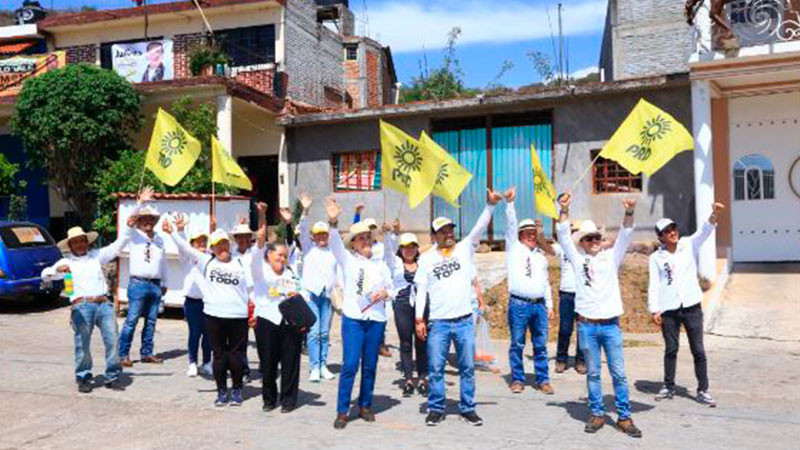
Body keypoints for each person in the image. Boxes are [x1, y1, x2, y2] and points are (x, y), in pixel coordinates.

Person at [556, 193, 642, 438]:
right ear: (582, 242)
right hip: (587, 326)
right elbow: (563, 234)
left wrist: (629, 212)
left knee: (618, 373)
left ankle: (624, 416)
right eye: (588, 238)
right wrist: (564, 209)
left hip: (610, 327)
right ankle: (597, 413)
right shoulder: (576, 258)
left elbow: (626, 234)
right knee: (593, 373)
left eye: (596, 237)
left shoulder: (610, 257)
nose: (593, 241)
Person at [414, 189, 502, 427]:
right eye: (443, 231)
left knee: (467, 368)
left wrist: (490, 205)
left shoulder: (465, 248)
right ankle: (436, 407)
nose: (449, 234)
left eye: (451, 229)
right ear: (434, 236)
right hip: (439, 323)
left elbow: (479, 227)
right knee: (435, 368)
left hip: (463, 320)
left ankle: (468, 408)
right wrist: (419, 319)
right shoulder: (426, 260)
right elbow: (421, 290)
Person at [163, 217, 250, 407]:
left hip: (238, 316)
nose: (222, 248)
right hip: (214, 316)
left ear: (230, 244)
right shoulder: (205, 262)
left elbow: (251, 288)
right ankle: (221, 391)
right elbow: (186, 249)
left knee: (235, 357)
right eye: (217, 245)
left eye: (224, 243)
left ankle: (236, 389)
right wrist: (173, 233)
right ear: (212, 248)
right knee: (219, 356)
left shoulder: (241, 262)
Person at [41, 217, 135, 392]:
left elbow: (118, 245)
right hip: (81, 306)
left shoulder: (96, 256)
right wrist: (55, 270)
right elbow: (45, 275)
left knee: (112, 339)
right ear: (70, 245)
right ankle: (83, 376)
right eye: (75, 242)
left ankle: (112, 375)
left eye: (81, 241)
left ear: (86, 242)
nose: (79, 245)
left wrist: (129, 227)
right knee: (82, 343)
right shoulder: (66, 262)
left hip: (103, 303)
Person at [326, 197, 393, 430]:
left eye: (368, 238)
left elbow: (393, 288)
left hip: (375, 320)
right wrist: (333, 221)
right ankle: (342, 410)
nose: (366, 241)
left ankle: (365, 405)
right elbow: (334, 243)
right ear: (353, 243)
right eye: (361, 239)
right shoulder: (347, 260)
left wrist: (386, 292)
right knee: (351, 364)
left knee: (370, 365)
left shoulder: (381, 264)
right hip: (354, 319)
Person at [648, 203, 724, 407]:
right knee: (671, 349)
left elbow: (705, 230)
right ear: (661, 237)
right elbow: (654, 284)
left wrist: (715, 213)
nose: (672, 233)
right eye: (666, 231)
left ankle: (703, 390)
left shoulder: (689, 244)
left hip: (691, 306)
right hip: (669, 308)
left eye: (673, 228)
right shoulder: (656, 258)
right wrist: (654, 309)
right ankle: (668, 386)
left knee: (698, 349)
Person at [250, 203, 305, 413]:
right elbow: (259, 246)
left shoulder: (291, 272)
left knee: (291, 362)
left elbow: (301, 291)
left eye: (284, 255)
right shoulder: (260, 271)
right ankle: (269, 399)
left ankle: (289, 400)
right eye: (278, 256)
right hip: (267, 321)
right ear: (268, 257)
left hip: (290, 322)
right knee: (269, 363)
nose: (282, 259)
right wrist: (262, 217)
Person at [503, 187, 554, 395]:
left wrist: (549, 305)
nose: (532, 236)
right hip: (519, 304)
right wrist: (510, 204)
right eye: (528, 233)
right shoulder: (514, 249)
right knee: (517, 343)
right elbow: (510, 226)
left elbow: (546, 282)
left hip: (539, 305)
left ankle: (543, 379)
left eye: (534, 233)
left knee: (540, 345)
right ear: (521, 235)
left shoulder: (540, 257)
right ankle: (517, 378)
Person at [119, 193, 168, 367]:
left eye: (151, 218)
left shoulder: (160, 239)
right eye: (144, 218)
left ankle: (147, 352)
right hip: (138, 283)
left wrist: (165, 282)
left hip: (155, 284)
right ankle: (123, 354)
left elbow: (163, 262)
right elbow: (129, 220)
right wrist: (139, 203)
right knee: (132, 319)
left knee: (151, 321)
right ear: (139, 221)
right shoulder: (134, 235)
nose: (148, 221)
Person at [384, 221, 429, 397]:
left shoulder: (423, 262)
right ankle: (409, 379)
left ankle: (424, 378)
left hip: (421, 305)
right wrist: (391, 234)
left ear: (417, 248)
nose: (408, 250)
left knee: (422, 341)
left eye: (412, 247)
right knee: (405, 343)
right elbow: (388, 250)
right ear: (401, 249)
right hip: (402, 305)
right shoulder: (394, 263)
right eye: (405, 247)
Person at [297, 194, 339, 382]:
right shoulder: (308, 248)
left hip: (328, 297)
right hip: (311, 296)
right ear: (313, 237)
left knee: (324, 333)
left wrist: (333, 219)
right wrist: (305, 210)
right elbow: (303, 228)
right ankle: (314, 367)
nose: (322, 237)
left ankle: (323, 365)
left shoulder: (333, 252)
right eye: (318, 234)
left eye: (324, 234)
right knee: (313, 333)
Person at [173, 216, 212, 378]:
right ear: (192, 243)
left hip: (209, 302)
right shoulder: (187, 257)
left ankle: (207, 362)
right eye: (198, 241)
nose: (201, 243)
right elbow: (182, 247)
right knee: (194, 333)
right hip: (192, 302)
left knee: (209, 334)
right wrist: (180, 230)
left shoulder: (211, 257)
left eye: (204, 240)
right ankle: (192, 362)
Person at [353, 203, 391, 358]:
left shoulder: (381, 247)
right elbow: (354, 229)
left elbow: (390, 253)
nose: (371, 231)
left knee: (380, 316)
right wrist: (357, 213)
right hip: (363, 285)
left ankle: (380, 344)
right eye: (368, 229)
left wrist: (390, 233)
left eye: (373, 228)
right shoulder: (359, 248)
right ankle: (361, 345)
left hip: (378, 286)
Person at [550, 215, 587, 374]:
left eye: (577, 231)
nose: (574, 233)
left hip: (583, 294)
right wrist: (539, 235)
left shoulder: (586, 249)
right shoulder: (562, 246)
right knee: (565, 329)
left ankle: (581, 360)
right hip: (566, 294)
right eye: (572, 230)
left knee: (583, 329)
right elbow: (549, 249)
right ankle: (561, 359)